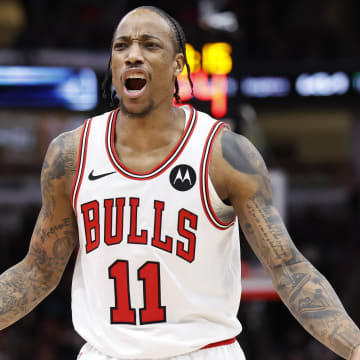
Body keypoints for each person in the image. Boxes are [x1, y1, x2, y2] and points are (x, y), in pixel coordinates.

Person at [0, 5, 359, 360]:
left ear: (177, 64)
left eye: (149, 45)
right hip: (105, 353)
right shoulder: (70, 154)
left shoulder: (224, 153)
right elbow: (37, 270)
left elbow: (288, 267)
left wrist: (354, 346)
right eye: (121, 45)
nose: (133, 55)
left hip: (201, 353)